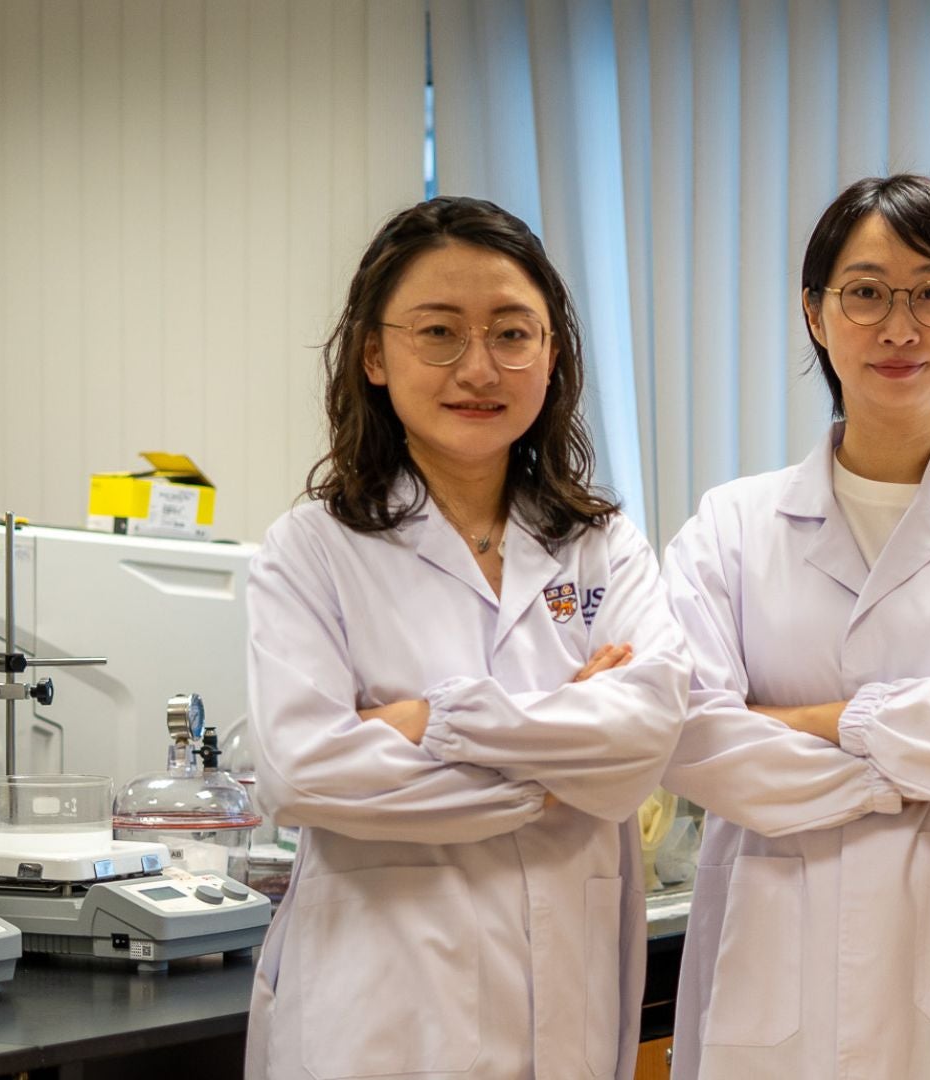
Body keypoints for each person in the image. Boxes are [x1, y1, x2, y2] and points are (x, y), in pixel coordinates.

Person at [243, 196, 690, 1080]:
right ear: (374, 353)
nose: (478, 368)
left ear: (550, 353)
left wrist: (420, 720)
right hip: (379, 1013)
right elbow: (301, 770)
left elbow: (646, 736)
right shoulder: (312, 551)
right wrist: (562, 755)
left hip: (563, 1002)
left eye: (512, 334)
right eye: (439, 332)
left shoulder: (601, 545)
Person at [660, 174, 930, 1079]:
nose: (899, 328)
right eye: (865, 293)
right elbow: (692, 738)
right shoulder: (731, 526)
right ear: (815, 313)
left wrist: (808, 723)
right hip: (775, 954)